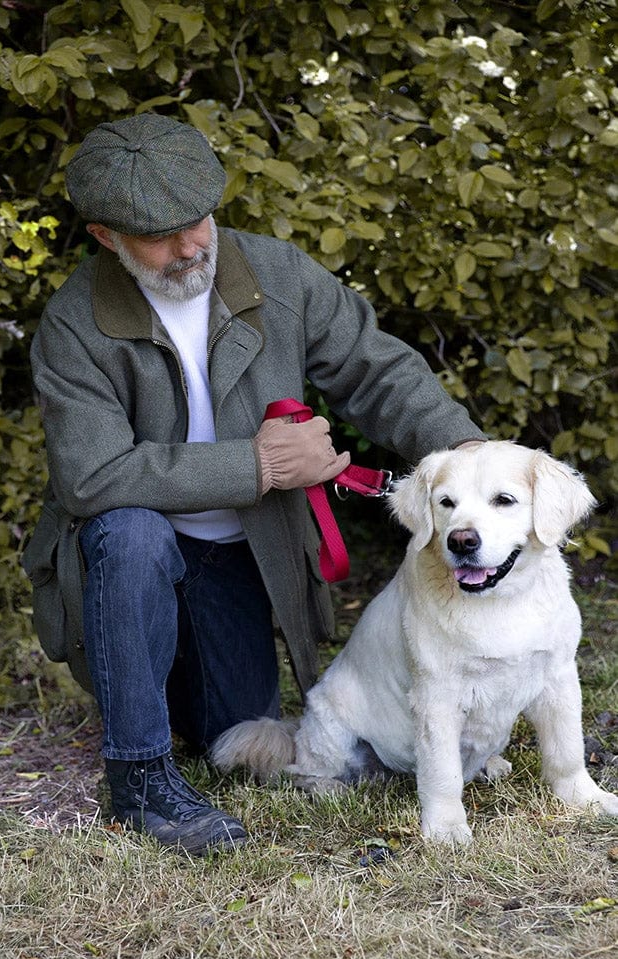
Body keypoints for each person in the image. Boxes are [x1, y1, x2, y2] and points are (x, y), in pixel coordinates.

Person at [24, 113, 485, 856]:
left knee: (232, 737)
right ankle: (137, 778)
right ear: (106, 236)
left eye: (197, 220)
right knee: (128, 529)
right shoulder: (73, 322)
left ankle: (157, 693)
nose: (190, 245)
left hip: (241, 555)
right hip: (133, 557)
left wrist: (467, 452)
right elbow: (92, 475)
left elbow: (376, 369)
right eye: (159, 234)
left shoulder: (275, 272)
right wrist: (261, 465)